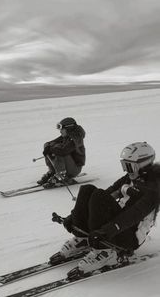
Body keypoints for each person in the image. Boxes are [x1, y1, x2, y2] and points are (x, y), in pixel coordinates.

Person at [50, 142, 160, 279]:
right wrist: (74, 217)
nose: (126, 170)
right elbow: (106, 194)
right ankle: (83, 238)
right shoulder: (131, 177)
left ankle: (106, 251)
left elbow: (133, 215)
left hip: (130, 236)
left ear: (144, 165)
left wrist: (107, 231)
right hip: (116, 228)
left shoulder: (154, 189)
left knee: (98, 196)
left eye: (129, 166)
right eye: (124, 165)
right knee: (89, 190)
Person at [37, 117, 86, 188]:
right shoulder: (66, 135)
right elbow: (50, 143)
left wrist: (51, 149)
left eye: (62, 129)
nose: (60, 131)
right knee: (52, 147)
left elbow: (63, 151)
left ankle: (61, 176)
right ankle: (53, 171)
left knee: (59, 151)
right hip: (68, 165)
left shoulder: (75, 140)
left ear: (68, 129)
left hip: (74, 168)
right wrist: (47, 146)